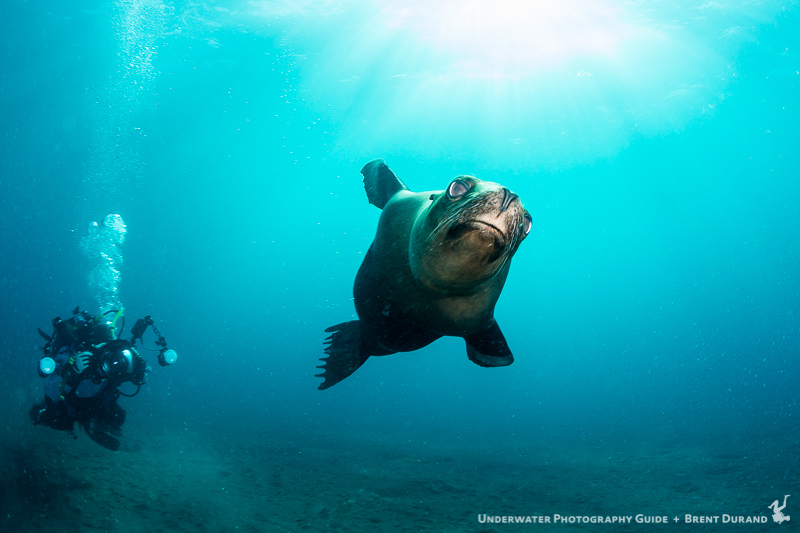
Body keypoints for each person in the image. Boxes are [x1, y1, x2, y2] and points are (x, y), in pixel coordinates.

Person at [30, 307, 176, 451]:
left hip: (97, 399)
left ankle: (94, 422)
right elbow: (52, 390)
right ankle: (44, 413)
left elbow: (144, 370)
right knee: (57, 421)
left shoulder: (118, 353)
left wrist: (140, 374)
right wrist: (72, 373)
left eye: (107, 344)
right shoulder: (76, 355)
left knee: (118, 418)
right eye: (98, 344)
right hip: (70, 399)